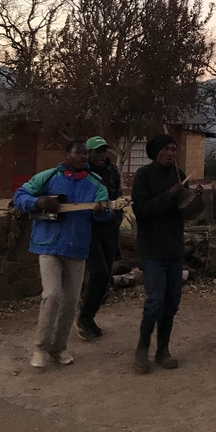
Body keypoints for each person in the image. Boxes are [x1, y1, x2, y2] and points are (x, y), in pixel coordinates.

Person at [13, 140, 112, 368]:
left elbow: (104, 215)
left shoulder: (96, 183)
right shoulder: (48, 177)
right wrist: (38, 201)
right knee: (52, 294)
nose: (83, 157)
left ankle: (59, 348)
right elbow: (20, 196)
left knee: (70, 301)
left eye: (86, 153)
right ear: (66, 154)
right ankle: (40, 349)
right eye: (78, 153)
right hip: (48, 246)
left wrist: (102, 211)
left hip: (77, 248)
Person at [132, 133, 203, 374]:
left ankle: (163, 350)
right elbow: (141, 211)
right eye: (167, 149)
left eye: (174, 149)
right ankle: (142, 349)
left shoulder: (179, 175)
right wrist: (169, 196)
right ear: (156, 152)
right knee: (155, 301)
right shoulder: (143, 176)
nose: (171, 153)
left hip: (174, 247)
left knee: (172, 302)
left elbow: (184, 212)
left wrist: (195, 200)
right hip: (152, 248)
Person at [77, 136, 123, 341]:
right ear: (88, 153)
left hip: (110, 227)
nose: (102, 155)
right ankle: (83, 318)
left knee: (105, 276)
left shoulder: (112, 171)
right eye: (97, 151)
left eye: (104, 151)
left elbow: (118, 195)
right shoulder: (83, 172)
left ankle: (89, 316)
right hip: (90, 229)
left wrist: (117, 217)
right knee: (98, 272)